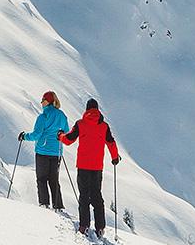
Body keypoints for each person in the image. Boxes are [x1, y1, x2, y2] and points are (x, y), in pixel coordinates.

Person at [60, 97, 120, 236]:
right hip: (97, 167)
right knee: (97, 196)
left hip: (83, 166)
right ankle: (100, 228)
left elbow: (69, 140)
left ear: (86, 109)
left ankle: (84, 225)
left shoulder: (80, 124)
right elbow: (111, 142)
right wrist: (115, 157)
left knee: (84, 196)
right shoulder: (104, 126)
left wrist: (60, 136)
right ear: (97, 110)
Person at [19, 91, 70, 211]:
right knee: (54, 179)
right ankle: (58, 206)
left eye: (43, 99)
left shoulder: (42, 117)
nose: (41, 102)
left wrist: (24, 136)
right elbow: (66, 132)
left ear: (48, 101)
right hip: (57, 152)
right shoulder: (62, 115)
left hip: (43, 151)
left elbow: (36, 135)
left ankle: (44, 204)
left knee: (42, 179)